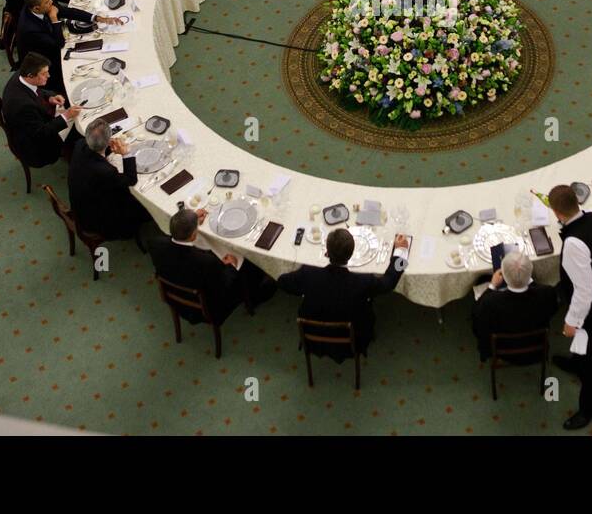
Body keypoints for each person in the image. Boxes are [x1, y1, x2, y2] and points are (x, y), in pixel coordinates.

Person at [276, 228, 411, 359]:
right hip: (355, 338)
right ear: (351, 254)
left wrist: (306, 292)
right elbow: (389, 282)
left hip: (312, 334)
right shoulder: (364, 282)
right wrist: (401, 252)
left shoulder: (307, 274)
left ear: (327, 252)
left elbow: (282, 282)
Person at [546, 184, 592, 430]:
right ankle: (577, 363)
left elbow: (584, 292)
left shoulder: (575, 244)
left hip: (591, 310)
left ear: (556, 213)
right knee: (585, 354)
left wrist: (571, 321)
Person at [149, 204, 277, 324]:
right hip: (206, 306)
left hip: (173, 294)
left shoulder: (155, 243)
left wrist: (191, 220)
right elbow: (224, 284)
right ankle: (254, 297)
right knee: (245, 263)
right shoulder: (205, 263)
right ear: (194, 235)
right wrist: (230, 265)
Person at [14, 0, 121, 95]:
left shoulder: (43, 3)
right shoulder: (30, 29)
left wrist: (97, 18)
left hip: (49, 43)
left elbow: (67, 11)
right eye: (47, 2)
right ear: (36, 9)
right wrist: (54, 19)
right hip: (42, 62)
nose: (51, 2)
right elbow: (58, 44)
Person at [66, 117, 152, 240]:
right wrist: (126, 154)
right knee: (144, 205)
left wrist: (106, 147)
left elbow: (95, 153)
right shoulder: (106, 171)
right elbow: (131, 179)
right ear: (107, 141)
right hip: (99, 221)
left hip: (82, 206)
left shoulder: (80, 144)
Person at [471, 250, 558, 363]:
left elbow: (476, 318)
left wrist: (492, 286)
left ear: (504, 278)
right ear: (530, 273)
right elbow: (552, 310)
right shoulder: (548, 293)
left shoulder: (490, 302)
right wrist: (528, 278)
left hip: (503, 350)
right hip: (536, 347)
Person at [0, 51, 81, 168]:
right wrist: (66, 116)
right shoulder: (23, 106)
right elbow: (41, 133)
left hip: (35, 123)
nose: (48, 76)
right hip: (38, 148)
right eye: (44, 74)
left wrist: (50, 98)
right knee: (78, 125)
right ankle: (74, 157)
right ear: (31, 75)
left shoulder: (21, 75)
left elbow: (36, 91)